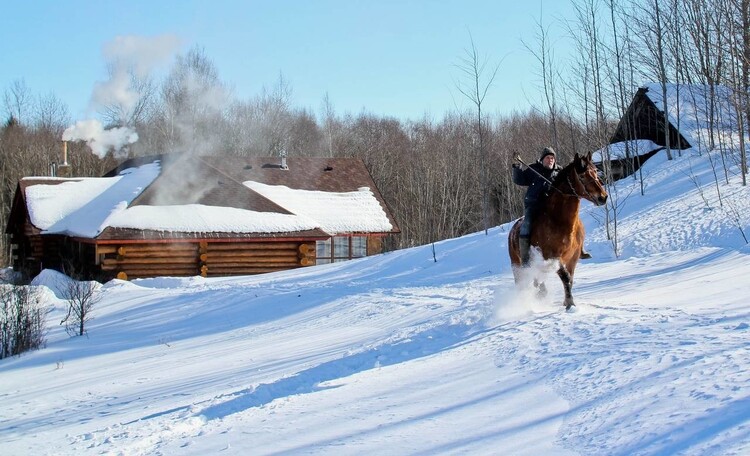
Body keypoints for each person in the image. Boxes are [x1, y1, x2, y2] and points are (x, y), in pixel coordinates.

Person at [512, 147, 591, 266]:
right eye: (548, 158)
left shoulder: (559, 171)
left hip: (553, 207)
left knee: (575, 222)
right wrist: (517, 166)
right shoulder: (534, 169)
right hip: (534, 205)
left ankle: (579, 249)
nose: (550, 160)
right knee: (526, 224)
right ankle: (525, 258)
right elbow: (519, 179)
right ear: (542, 159)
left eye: (552, 158)